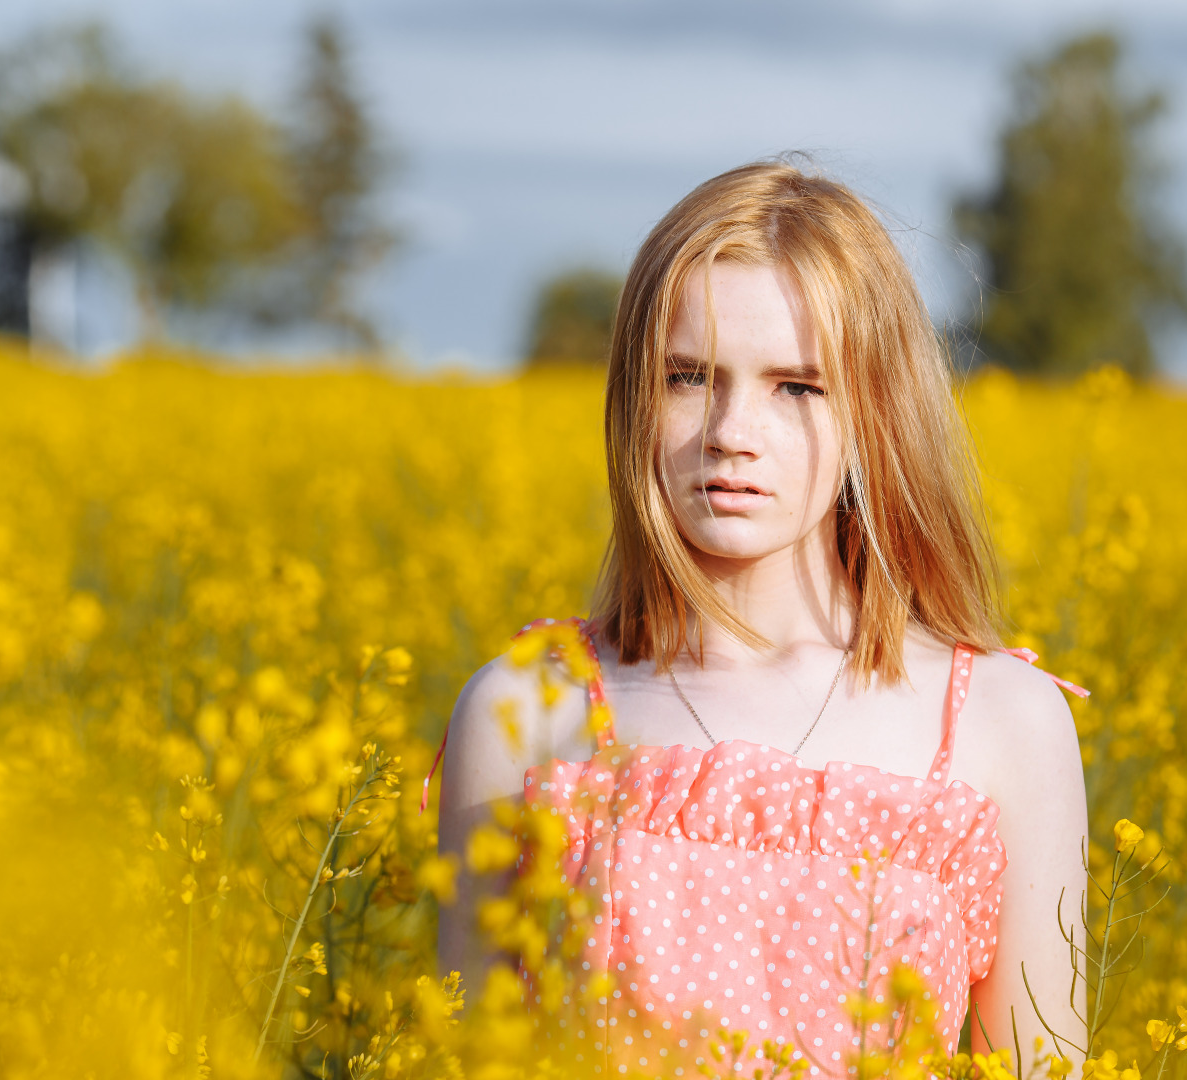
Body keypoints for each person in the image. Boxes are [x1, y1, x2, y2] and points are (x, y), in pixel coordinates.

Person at [433, 160, 1089, 1076]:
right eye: (688, 378)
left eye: (796, 386)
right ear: (631, 398)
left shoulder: (1004, 721)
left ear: (874, 413)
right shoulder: (523, 711)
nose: (731, 431)